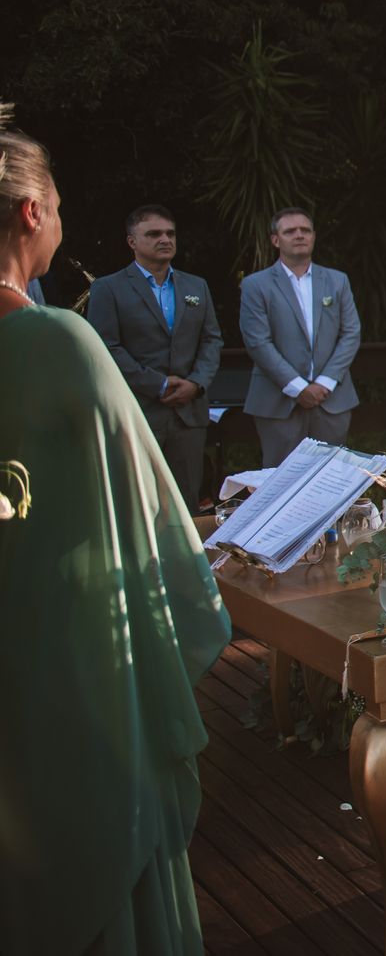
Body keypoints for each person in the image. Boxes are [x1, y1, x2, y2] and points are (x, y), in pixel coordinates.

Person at [1, 114, 232, 956]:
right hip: (68, 647)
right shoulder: (57, 336)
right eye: (59, 205)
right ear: (32, 213)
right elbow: (148, 506)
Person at [87, 204, 224, 508]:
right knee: (135, 503)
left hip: (188, 413)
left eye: (170, 234)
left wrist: (196, 383)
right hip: (137, 411)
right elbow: (105, 347)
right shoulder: (108, 288)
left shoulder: (196, 286)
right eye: (154, 234)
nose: (165, 239)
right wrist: (158, 384)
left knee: (185, 505)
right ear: (132, 241)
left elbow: (212, 339)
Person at [238, 207, 361, 466]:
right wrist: (299, 388)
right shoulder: (255, 285)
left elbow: (351, 333)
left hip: (331, 400)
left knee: (331, 478)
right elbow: (258, 342)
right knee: (281, 478)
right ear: (275, 240)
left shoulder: (337, 281)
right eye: (290, 231)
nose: (299, 235)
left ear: (313, 236)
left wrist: (324, 383)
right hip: (278, 402)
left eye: (305, 230)